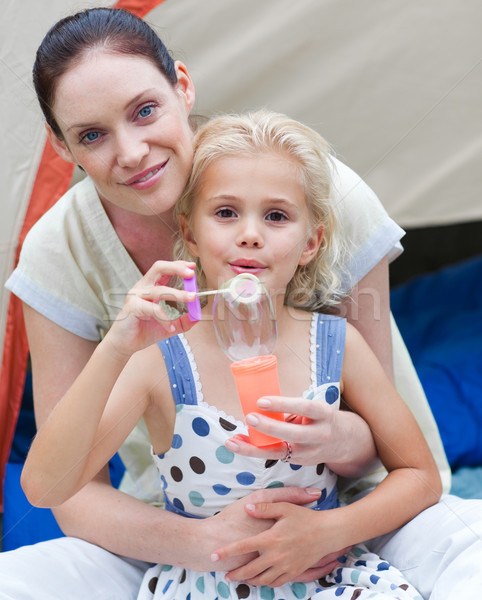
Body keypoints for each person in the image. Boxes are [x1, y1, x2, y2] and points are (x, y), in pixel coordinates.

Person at [3, 7, 481, 600]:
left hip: (357, 516)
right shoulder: (143, 344)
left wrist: (329, 485)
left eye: (145, 109)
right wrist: (213, 544)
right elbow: (57, 486)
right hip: (171, 533)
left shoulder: (323, 201)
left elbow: (396, 460)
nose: (130, 152)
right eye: (92, 134)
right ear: (190, 235)